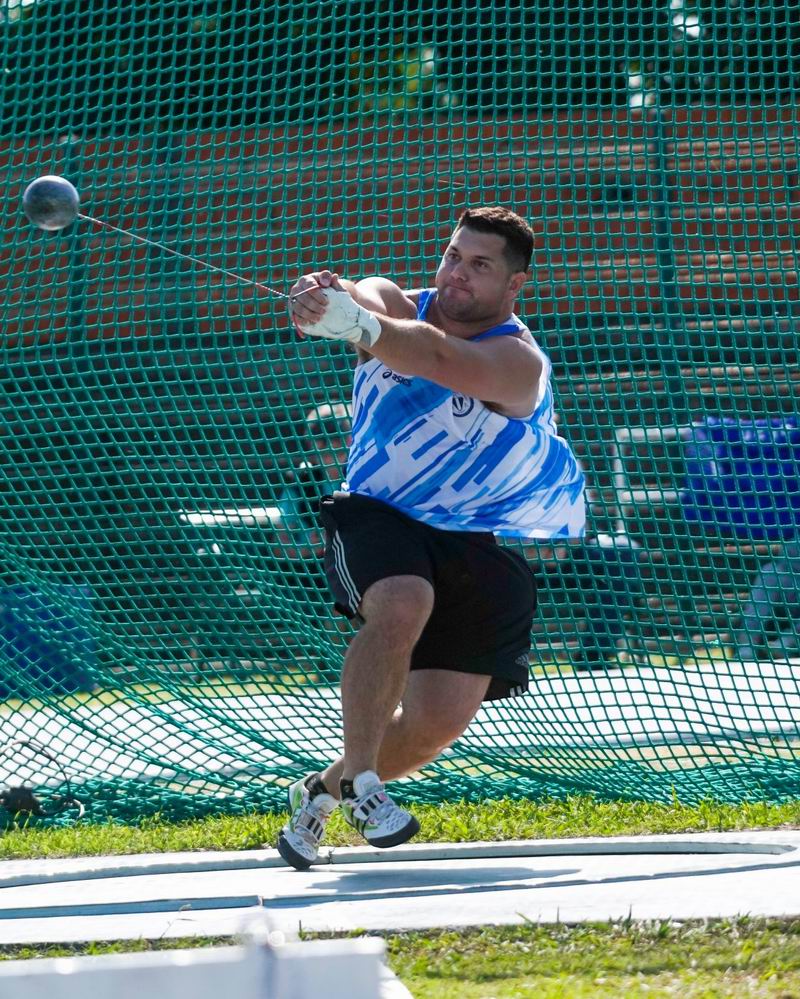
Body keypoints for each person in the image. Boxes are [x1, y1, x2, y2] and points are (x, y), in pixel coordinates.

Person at [276, 206, 586, 870]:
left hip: (471, 537)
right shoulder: (394, 302)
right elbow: (370, 298)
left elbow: (434, 354)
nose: (457, 275)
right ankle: (361, 782)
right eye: (453, 255)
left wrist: (357, 324)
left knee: (432, 726)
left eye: (480, 266)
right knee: (402, 599)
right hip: (378, 514)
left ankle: (323, 793)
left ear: (514, 285)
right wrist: (326, 298)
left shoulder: (516, 362)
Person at [734, 540, 800, 662]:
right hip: (789, 580)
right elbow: (789, 555)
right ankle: (747, 646)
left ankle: (788, 643)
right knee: (770, 572)